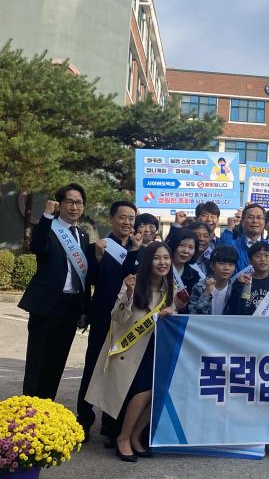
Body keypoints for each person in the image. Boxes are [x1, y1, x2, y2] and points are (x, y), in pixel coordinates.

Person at [85, 242, 177, 462]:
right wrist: (127, 293)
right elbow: (117, 316)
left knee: (157, 393)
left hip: (155, 348)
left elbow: (172, 315)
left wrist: (171, 312)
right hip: (131, 348)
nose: (162, 262)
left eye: (166, 258)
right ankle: (123, 438)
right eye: (157, 258)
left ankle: (135, 436)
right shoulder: (134, 282)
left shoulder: (169, 287)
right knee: (143, 391)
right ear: (147, 262)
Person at [20, 184, 91, 402]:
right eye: (69, 202)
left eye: (78, 202)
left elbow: (84, 275)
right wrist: (46, 216)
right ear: (59, 204)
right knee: (37, 361)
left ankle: (48, 407)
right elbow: (37, 247)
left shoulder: (83, 235)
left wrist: (84, 309)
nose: (74, 207)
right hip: (46, 305)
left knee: (56, 362)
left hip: (70, 306)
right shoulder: (48, 227)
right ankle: (30, 411)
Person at [77, 200, 138, 443]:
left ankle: (111, 427)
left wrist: (135, 252)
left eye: (131, 218)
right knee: (93, 367)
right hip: (103, 315)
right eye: (122, 217)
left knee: (118, 371)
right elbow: (89, 279)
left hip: (128, 318)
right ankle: (83, 420)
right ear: (112, 219)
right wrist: (97, 257)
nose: (127, 222)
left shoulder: (138, 248)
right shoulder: (99, 246)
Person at [225, 241, 269, 316]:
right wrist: (238, 286)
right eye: (258, 256)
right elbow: (235, 310)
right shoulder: (244, 282)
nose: (263, 259)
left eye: (266, 256)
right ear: (250, 260)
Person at [189, 246, 247, 315]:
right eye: (222, 263)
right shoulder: (199, 287)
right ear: (212, 266)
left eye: (231, 265)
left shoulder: (235, 289)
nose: (226, 268)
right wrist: (206, 294)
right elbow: (193, 315)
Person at [221, 203, 267, 272]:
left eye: (259, 217)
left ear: (264, 223)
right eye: (250, 217)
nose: (255, 221)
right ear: (242, 222)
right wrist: (229, 229)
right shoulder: (232, 246)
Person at [168, 228, 202, 314]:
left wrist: (182, 307)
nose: (186, 251)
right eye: (182, 245)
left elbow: (192, 305)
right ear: (173, 245)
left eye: (191, 247)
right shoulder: (161, 268)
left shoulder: (194, 275)